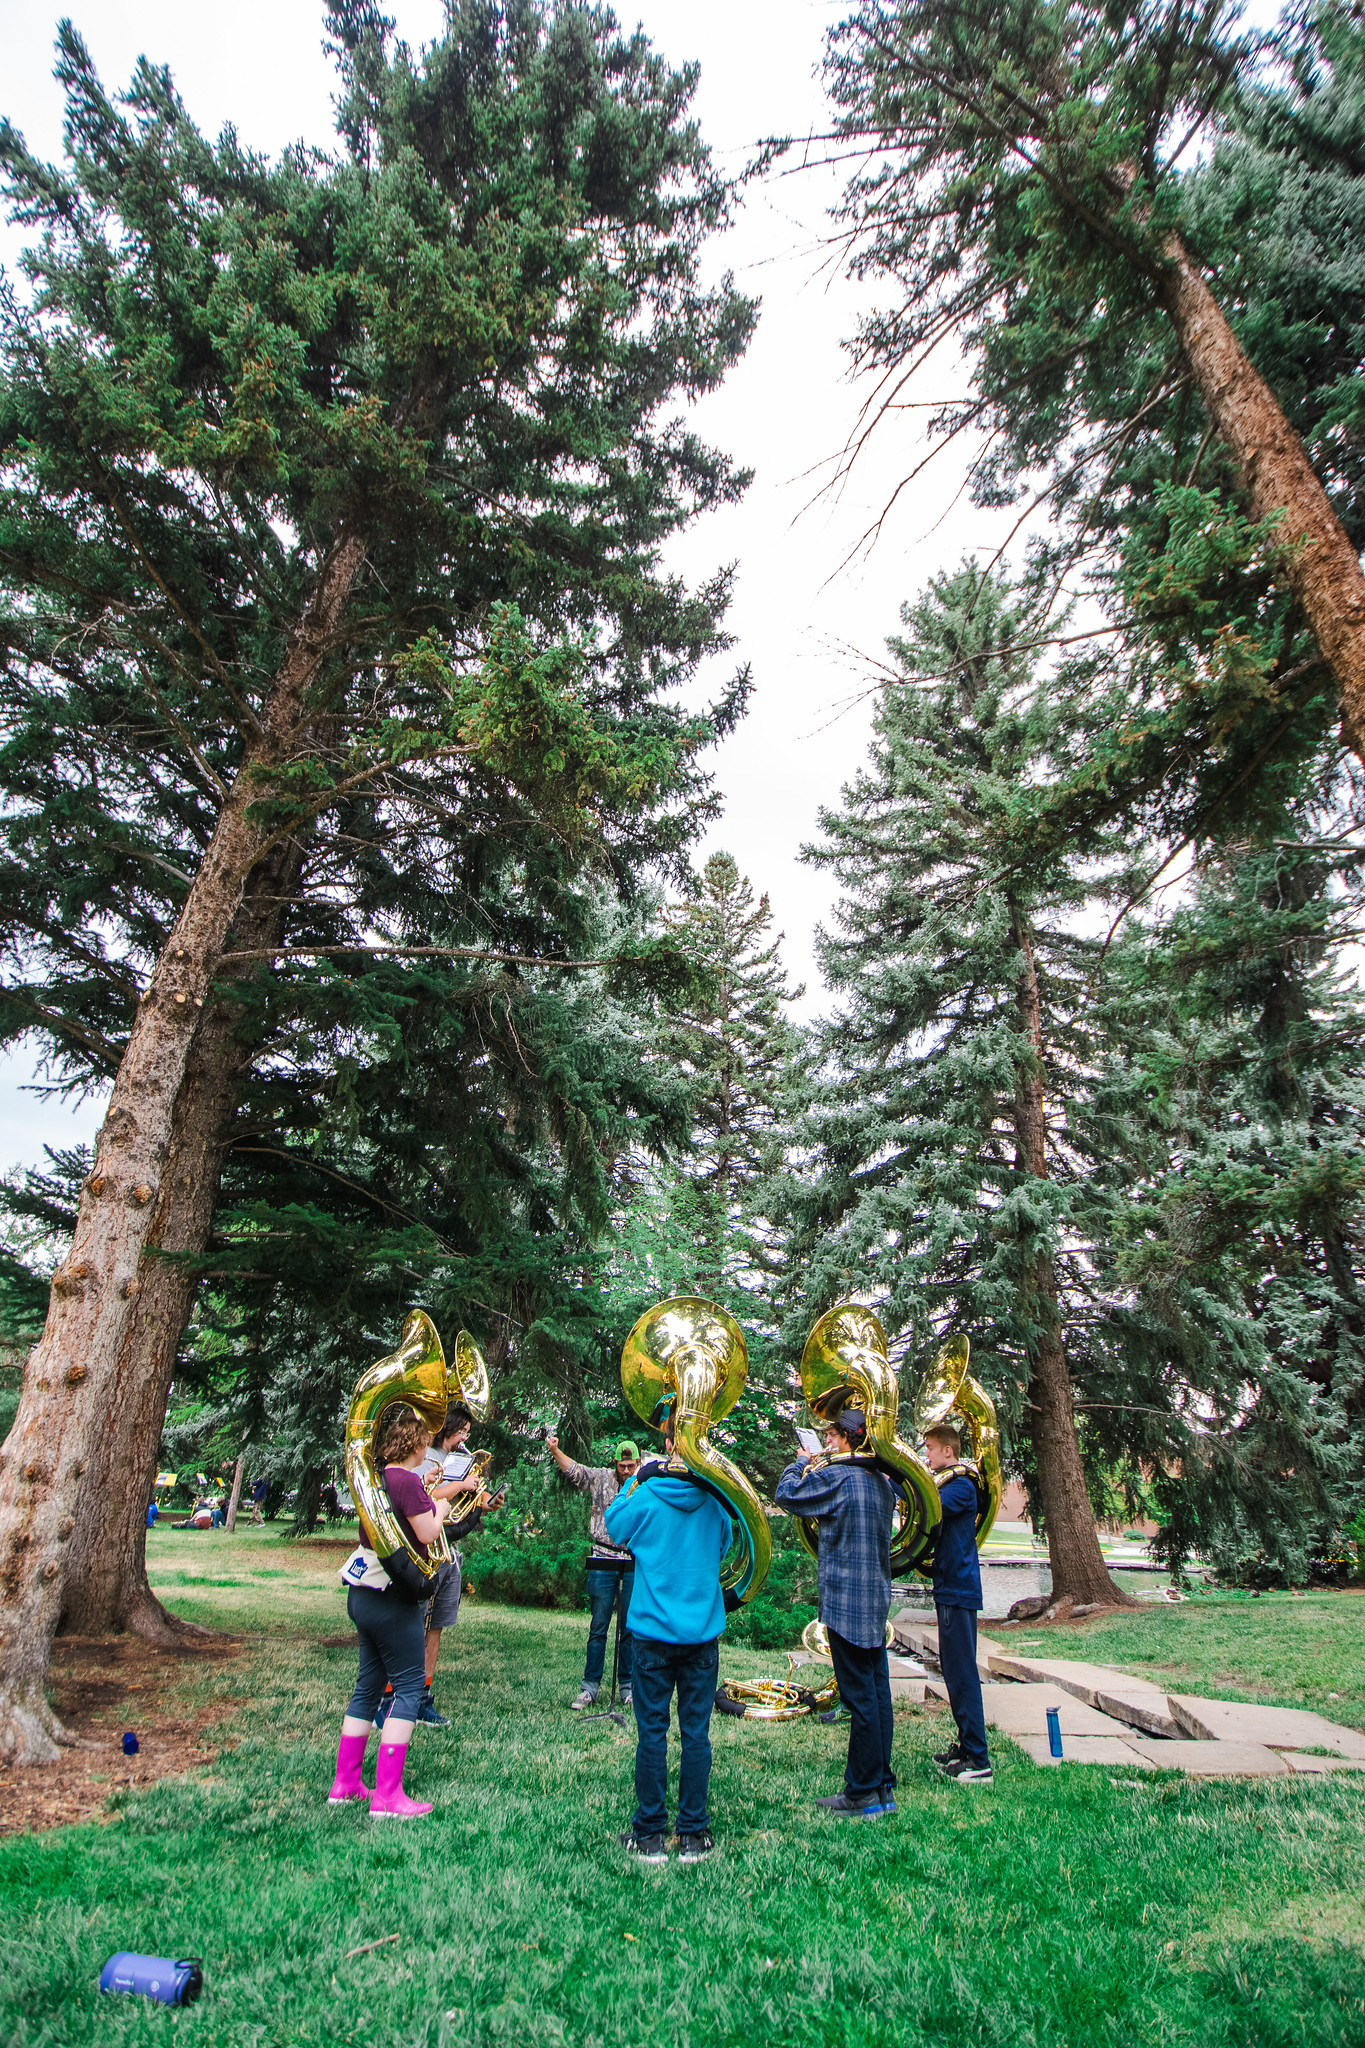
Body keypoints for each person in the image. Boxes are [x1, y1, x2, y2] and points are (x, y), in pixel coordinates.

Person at [602, 1421, 732, 1863]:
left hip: (652, 1636)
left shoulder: (648, 1493)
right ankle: (693, 1835)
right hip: (701, 1637)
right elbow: (724, 1546)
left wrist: (636, 1479)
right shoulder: (716, 1498)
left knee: (651, 1735)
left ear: (668, 1444)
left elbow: (614, 1527)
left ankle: (650, 1835)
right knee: (696, 1735)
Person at [328, 1402, 451, 1819]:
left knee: (367, 1686)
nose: (428, 1447)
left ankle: (345, 1784)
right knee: (410, 1689)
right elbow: (428, 1531)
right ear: (417, 1444)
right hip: (395, 1597)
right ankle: (388, 1795)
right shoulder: (408, 1483)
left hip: (363, 1593)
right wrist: (442, 1509)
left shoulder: (376, 1479)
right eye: (426, 1441)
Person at [775, 1407, 898, 1819]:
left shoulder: (837, 1476)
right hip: (875, 1598)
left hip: (846, 1601)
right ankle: (882, 1785)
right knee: (878, 1693)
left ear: (848, 1439)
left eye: (831, 1438)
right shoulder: (882, 1483)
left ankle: (862, 1793)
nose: (827, 1443)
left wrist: (800, 1463)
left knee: (860, 1697)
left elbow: (786, 1495)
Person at [547, 1433, 640, 1710]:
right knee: (598, 1626)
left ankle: (627, 1686)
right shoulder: (601, 1477)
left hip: (634, 1560)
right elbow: (574, 1471)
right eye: (621, 1466)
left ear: (637, 1463)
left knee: (630, 1628)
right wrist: (555, 1450)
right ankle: (590, 1687)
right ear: (615, 1463)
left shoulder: (645, 1484)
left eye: (630, 1466)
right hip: (602, 1556)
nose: (625, 1471)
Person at [922, 1422, 992, 1785]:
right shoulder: (954, 1484)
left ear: (948, 1451)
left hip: (958, 1588)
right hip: (951, 1585)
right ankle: (967, 1747)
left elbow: (927, 1508)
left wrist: (903, 1479)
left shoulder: (962, 1486)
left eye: (930, 1448)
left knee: (962, 1674)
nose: (927, 1455)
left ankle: (979, 1760)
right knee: (953, 1672)